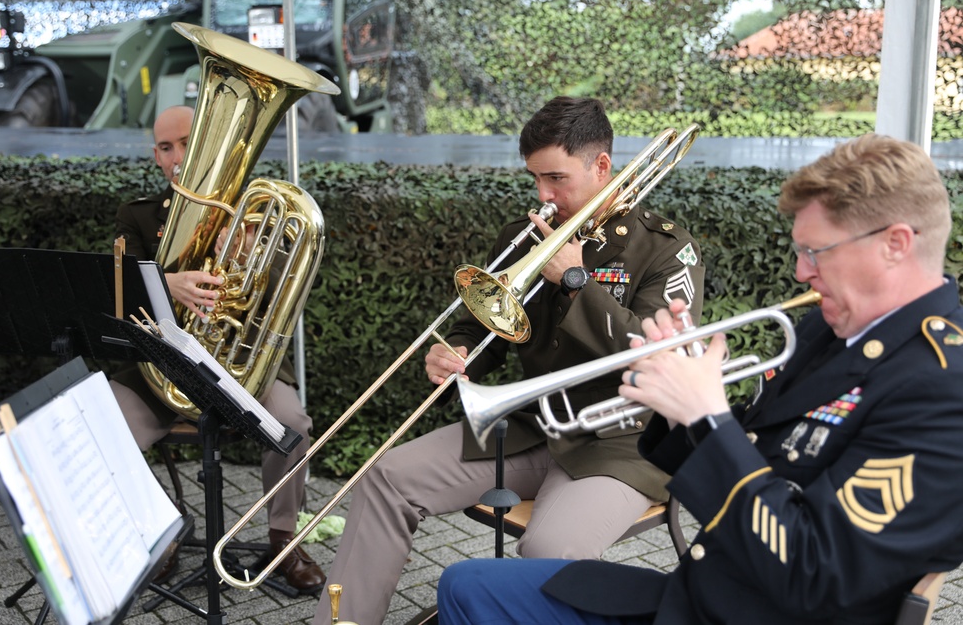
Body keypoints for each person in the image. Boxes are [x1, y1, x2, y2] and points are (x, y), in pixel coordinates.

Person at [436, 132, 963, 624]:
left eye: (817, 252)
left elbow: (811, 570)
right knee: (467, 582)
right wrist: (671, 397)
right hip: (703, 592)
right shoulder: (828, 333)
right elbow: (751, 463)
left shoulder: (940, 391)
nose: (802, 272)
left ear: (895, 244)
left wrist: (709, 416)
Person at [312, 96, 706, 624]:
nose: (543, 196)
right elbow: (486, 327)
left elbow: (654, 356)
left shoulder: (665, 250)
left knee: (549, 554)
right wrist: (457, 351)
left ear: (602, 166)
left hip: (621, 442)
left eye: (556, 179)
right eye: (535, 179)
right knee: (387, 476)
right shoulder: (527, 237)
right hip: (531, 425)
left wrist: (575, 282)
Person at [109, 105, 326, 593]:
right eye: (166, 148)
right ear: (156, 157)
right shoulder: (139, 215)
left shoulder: (254, 211)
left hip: (243, 365)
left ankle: (283, 539)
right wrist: (168, 284)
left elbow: (279, 298)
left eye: (188, 142)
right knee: (106, 426)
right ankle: (161, 531)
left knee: (291, 424)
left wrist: (251, 256)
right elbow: (116, 292)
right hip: (159, 368)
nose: (179, 157)